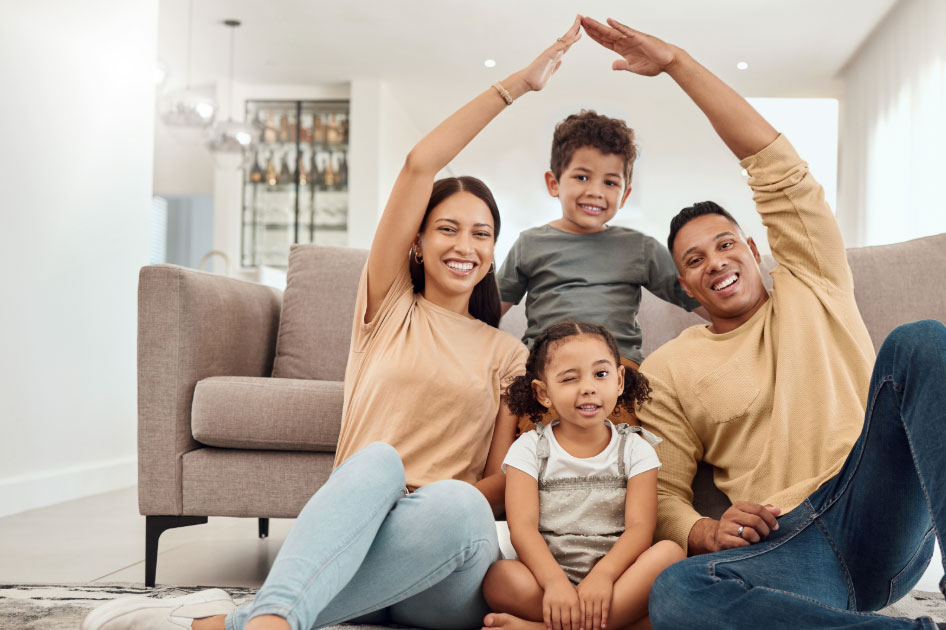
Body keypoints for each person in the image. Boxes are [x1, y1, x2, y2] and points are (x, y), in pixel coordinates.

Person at [580, 16, 946, 630]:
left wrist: (677, 64)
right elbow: (661, 492)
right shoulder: (669, 369)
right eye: (695, 260)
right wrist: (703, 529)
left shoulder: (810, 277)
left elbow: (775, 165)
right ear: (684, 286)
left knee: (921, 340)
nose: (715, 262)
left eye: (725, 245)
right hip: (788, 547)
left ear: (751, 245)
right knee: (679, 593)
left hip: (877, 511)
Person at [81, 18, 584, 630]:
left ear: (491, 253)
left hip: (445, 554)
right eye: (448, 228)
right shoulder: (387, 306)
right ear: (418, 244)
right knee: (374, 462)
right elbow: (419, 163)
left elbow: (504, 482)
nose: (466, 245)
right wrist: (517, 87)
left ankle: (229, 623)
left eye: (482, 234)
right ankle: (272, 622)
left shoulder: (507, 353)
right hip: (354, 538)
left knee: (454, 503)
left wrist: (422, 503)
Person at [481, 321, 684, 630]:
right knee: (498, 579)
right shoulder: (529, 449)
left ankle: (542, 628)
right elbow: (522, 529)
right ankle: (609, 624)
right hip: (546, 577)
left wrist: (603, 577)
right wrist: (555, 584)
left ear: (618, 381)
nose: (588, 386)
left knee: (670, 554)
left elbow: (640, 529)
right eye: (570, 378)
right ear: (543, 392)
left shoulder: (636, 449)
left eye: (600, 374)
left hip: (616, 580)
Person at [496, 109, 707, 369]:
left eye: (609, 182)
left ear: (624, 196)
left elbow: (703, 299)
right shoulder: (529, 243)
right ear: (554, 183)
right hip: (546, 370)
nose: (595, 191)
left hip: (618, 371)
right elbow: (486, 313)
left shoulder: (641, 248)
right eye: (582, 177)